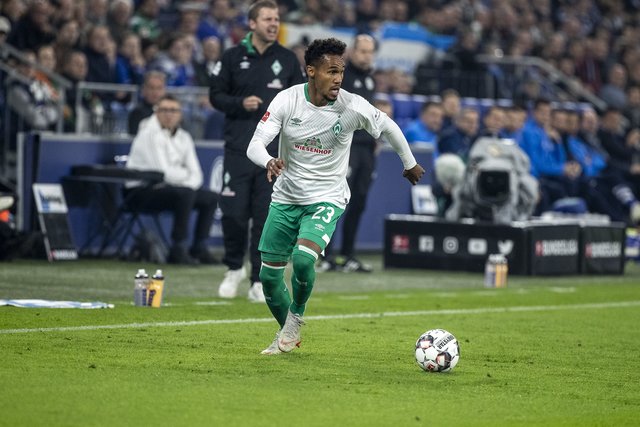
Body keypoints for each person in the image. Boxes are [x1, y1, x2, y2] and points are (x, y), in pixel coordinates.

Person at [245, 38, 425, 355]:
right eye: (331, 71)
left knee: (303, 259)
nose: (338, 78)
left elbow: (389, 127)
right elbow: (255, 144)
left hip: (326, 197)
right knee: (269, 278)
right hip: (286, 198)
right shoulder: (287, 100)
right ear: (311, 71)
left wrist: (408, 163)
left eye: (341, 71)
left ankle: (295, 318)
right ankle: (287, 331)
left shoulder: (352, 106)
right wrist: (268, 160)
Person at [209, 0, 305, 302]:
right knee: (234, 214)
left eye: (276, 19)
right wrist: (239, 103)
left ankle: (258, 280)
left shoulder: (288, 60)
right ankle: (234, 268)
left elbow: (300, 102)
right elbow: (215, 95)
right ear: (252, 23)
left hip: (274, 155)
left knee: (265, 217)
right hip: (238, 148)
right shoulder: (231, 56)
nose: (274, 24)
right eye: (267, 19)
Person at [125, 94, 218, 265]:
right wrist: (185, 176)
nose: (169, 114)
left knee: (211, 198)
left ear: (180, 114)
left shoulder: (184, 137)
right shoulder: (148, 134)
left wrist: (187, 181)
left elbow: (197, 175)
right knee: (186, 193)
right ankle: (178, 248)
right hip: (141, 192)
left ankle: (199, 247)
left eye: (174, 110)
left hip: (171, 190)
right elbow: (162, 173)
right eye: (164, 110)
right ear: (157, 112)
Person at [318, 33, 378, 273]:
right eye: (362, 51)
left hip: (366, 149)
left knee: (358, 202)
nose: (366, 56)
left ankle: (348, 254)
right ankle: (325, 255)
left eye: (370, 52)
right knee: (336, 201)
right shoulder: (341, 76)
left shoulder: (370, 80)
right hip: (346, 147)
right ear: (352, 52)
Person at [127, 71, 166, 135]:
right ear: (144, 90)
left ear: (164, 90)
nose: (155, 92)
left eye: (159, 88)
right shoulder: (137, 113)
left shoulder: (171, 112)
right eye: (151, 88)